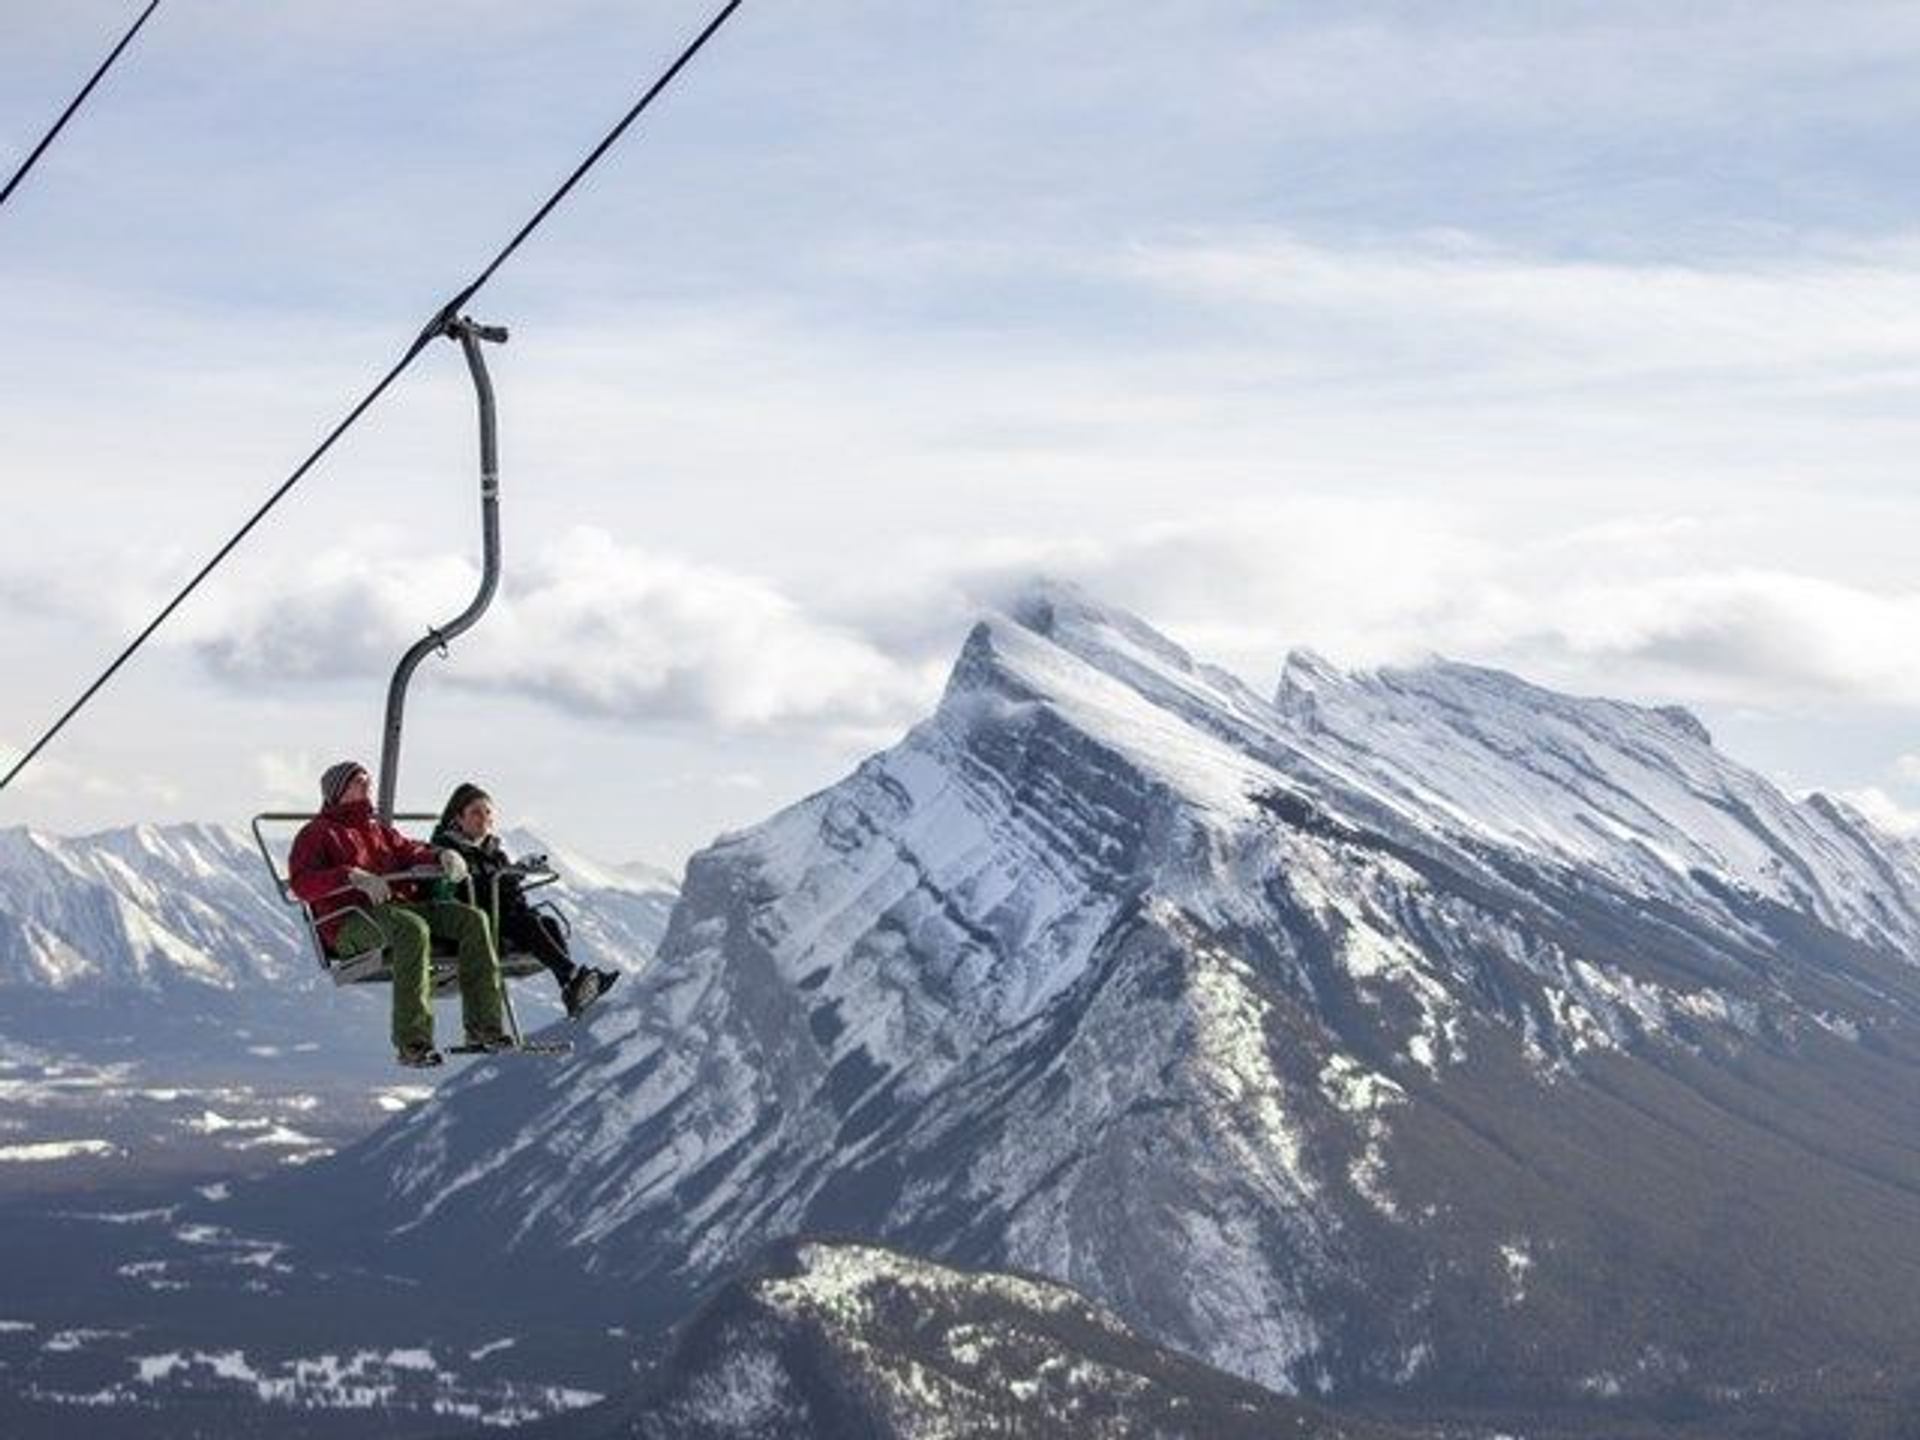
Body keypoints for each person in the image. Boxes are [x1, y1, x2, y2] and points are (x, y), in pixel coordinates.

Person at [288, 762, 510, 1069]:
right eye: (357, 781)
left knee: (472, 920)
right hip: (350, 921)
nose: (367, 785)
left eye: (367, 780)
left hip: (399, 908)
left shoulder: (376, 829)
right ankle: (413, 1042)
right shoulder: (317, 834)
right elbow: (302, 884)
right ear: (338, 790)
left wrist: (440, 855)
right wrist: (349, 876)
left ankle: (484, 1028)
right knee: (412, 929)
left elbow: (408, 850)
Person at [432, 781, 618, 1019]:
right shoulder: (449, 852)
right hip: (475, 919)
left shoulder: (495, 853)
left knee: (547, 922)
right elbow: (465, 889)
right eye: (475, 813)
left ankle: (569, 986)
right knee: (527, 924)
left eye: (488, 812)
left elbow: (508, 892)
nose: (484, 819)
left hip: (503, 915)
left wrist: (515, 875)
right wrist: (508, 879)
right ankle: (573, 978)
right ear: (459, 818)